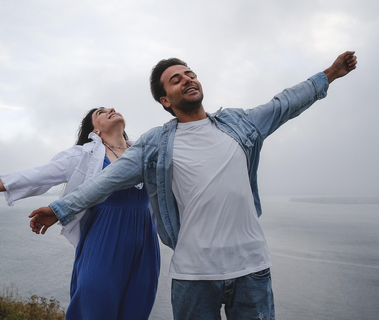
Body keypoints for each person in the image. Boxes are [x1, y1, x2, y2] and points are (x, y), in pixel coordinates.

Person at [29, 51, 358, 319]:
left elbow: (284, 103)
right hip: (194, 276)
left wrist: (329, 74)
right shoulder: (155, 145)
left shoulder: (238, 123)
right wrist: (59, 209)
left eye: (190, 74)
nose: (187, 79)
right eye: (176, 79)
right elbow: (106, 181)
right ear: (165, 100)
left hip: (252, 270)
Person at [0, 107, 160, 320]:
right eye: (101, 112)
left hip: (145, 244)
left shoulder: (144, 153)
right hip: (104, 239)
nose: (110, 110)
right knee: (95, 308)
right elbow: (36, 176)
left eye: (110, 108)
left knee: (137, 309)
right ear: (94, 130)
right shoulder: (84, 154)